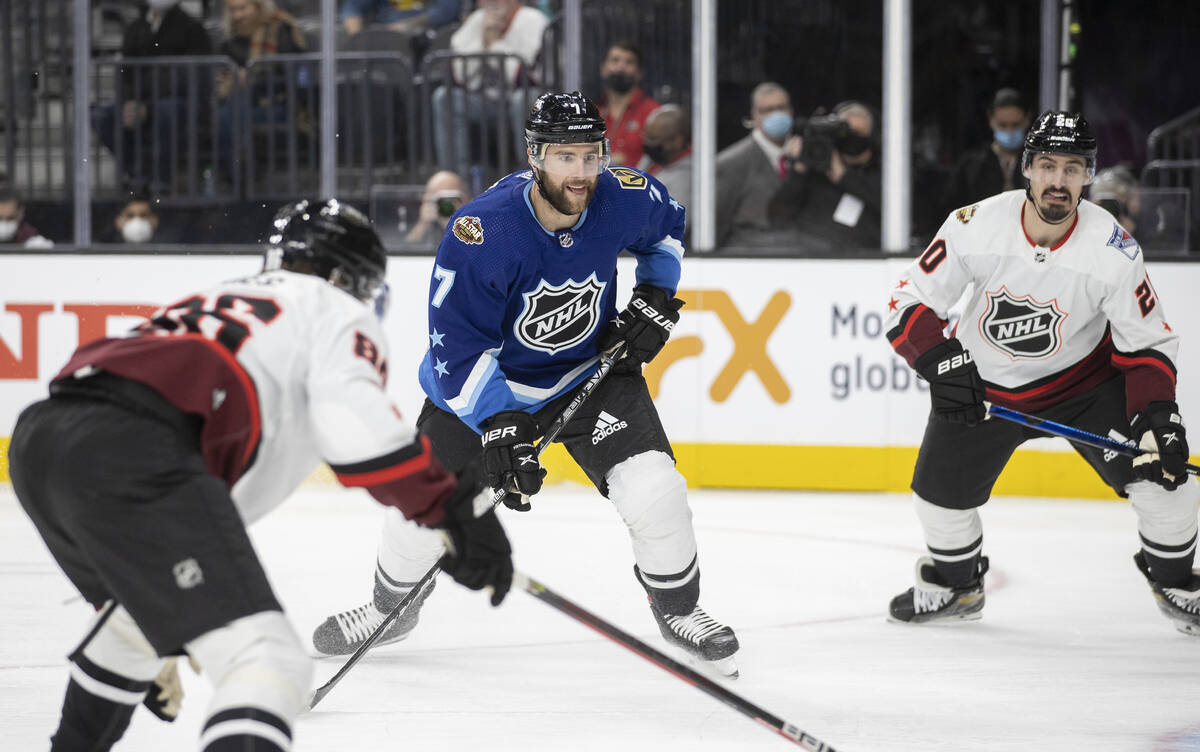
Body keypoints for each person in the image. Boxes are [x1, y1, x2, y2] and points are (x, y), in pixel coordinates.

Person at [7, 198, 512, 750]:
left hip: (42, 441)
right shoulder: (332, 309)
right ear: (346, 275)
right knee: (269, 663)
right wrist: (449, 509)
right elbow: (360, 432)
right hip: (138, 454)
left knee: (131, 626)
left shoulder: (221, 295)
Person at [313, 91, 742, 675]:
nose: (581, 172)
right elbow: (457, 348)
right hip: (486, 389)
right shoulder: (483, 232)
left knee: (656, 490)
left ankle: (680, 611)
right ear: (535, 155)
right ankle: (390, 610)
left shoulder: (622, 195)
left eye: (590, 156)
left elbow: (665, 228)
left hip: (588, 372)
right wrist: (498, 421)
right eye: (565, 157)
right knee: (416, 518)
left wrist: (655, 294)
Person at [884, 111, 1200, 635]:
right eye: (1048, 166)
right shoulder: (976, 224)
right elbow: (910, 298)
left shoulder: (1113, 248)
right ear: (1027, 168)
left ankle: (1178, 584)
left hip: (1086, 385)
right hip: (986, 391)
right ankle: (958, 587)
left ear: (1088, 175)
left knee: (1168, 485)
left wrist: (1158, 416)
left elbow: (1146, 342)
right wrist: (941, 362)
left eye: (1072, 168)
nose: (1058, 180)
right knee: (937, 499)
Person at [90, 0, 212, 190]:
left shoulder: (192, 28)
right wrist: (129, 102)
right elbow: (126, 73)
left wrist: (148, 106)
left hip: (179, 104)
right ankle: (137, 173)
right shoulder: (135, 27)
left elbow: (188, 78)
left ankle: (161, 178)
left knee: (165, 111)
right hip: (141, 102)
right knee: (100, 114)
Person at [432, 0, 547, 178]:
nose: (490, 3)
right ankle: (454, 180)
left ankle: (530, 177)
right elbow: (460, 76)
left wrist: (494, 45)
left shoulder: (532, 20)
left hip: (525, 98)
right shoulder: (476, 20)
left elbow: (522, 76)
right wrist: (484, 42)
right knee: (444, 97)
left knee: (522, 99)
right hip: (486, 102)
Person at [215, 0, 310, 186]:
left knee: (229, 116)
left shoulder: (280, 30)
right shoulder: (230, 40)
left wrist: (251, 79)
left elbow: (294, 77)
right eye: (233, 10)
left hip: (278, 103)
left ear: (258, 6)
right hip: (240, 103)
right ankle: (242, 176)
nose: (238, 15)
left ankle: (240, 178)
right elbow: (220, 75)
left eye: (243, 8)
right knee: (227, 114)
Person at [767, 100, 882, 253]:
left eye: (857, 133)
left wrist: (844, 177)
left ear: (872, 135)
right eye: (845, 131)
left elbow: (891, 210)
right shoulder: (816, 170)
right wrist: (799, 170)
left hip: (864, 259)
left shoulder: (887, 174)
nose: (851, 137)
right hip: (811, 256)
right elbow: (777, 216)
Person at [937, 88, 1033, 221]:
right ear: (991, 120)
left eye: (1015, 125)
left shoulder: (1036, 162)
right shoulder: (972, 165)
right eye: (1003, 125)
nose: (1009, 131)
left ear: (1027, 120)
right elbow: (952, 211)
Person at [714, 82, 791, 246]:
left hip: (798, 250)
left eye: (781, 107)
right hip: (748, 252)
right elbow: (717, 223)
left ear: (791, 111)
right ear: (754, 116)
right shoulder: (731, 163)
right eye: (767, 110)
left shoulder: (802, 154)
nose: (776, 115)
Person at [596, 41, 659, 168]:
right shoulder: (593, 113)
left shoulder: (652, 113)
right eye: (615, 60)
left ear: (639, 73)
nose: (621, 67)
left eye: (629, 62)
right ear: (603, 69)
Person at [639, 103, 692, 206]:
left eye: (653, 139)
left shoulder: (684, 181)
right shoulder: (655, 157)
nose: (647, 143)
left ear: (677, 141)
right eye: (646, 137)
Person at [405, 169, 467, 248]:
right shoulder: (408, 221)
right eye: (440, 199)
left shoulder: (476, 221)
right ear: (426, 198)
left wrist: (460, 223)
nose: (446, 205)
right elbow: (407, 248)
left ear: (466, 199)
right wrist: (422, 225)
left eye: (453, 199)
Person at [340, 0, 462, 36]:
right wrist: (357, 38)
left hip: (430, 36)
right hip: (389, 40)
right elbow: (352, 7)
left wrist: (407, 27)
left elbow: (447, 10)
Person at [1090, 165, 1141, 234]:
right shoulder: (1087, 227)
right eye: (1102, 203)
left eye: (1114, 203)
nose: (1108, 209)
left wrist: (1127, 235)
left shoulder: (1139, 225)